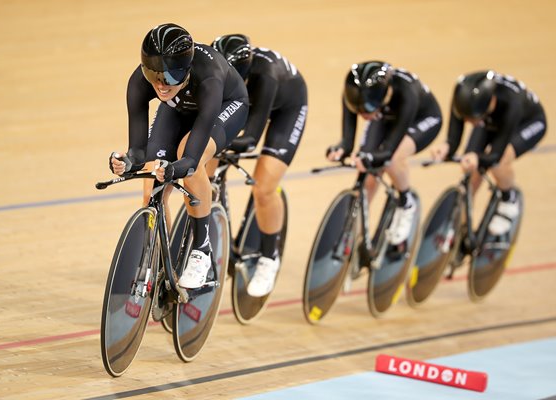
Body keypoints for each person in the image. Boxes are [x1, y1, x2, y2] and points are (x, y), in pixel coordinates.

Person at [109, 23, 249, 289]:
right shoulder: (142, 82)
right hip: (178, 105)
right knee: (152, 184)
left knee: (188, 159)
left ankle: (201, 250)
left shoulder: (208, 77)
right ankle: (161, 262)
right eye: (154, 75)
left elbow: (191, 159)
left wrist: (179, 168)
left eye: (170, 77)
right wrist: (127, 162)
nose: (161, 85)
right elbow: (138, 150)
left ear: (186, 70)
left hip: (224, 107)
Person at [211, 34, 308, 297]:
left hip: (286, 107)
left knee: (263, 188)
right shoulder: (210, 66)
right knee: (208, 162)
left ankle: (269, 257)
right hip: (244, 101)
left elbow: (251, 138)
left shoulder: (265, 75)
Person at [327, 61, 442, 245]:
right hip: (384, 115)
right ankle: (353, 232)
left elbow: (388, 151)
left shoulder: (407, 92)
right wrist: (342, 149)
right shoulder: (354, 94)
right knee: (368, 172)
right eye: (359, 109)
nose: (363, 114)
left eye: (368, 107)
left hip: (420, 119)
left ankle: (406, 202)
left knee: (393, 159)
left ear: (386, 93)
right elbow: (347, 141)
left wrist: (375, 157)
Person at [431, 70, 546, 235]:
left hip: (527, 122)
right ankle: (461, 229)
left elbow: (495, 156)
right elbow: (453, 139)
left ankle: (508, 198)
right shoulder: (463, 98)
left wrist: (479, 158)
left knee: (499, 162)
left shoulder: (511, 102)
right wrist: (447, 147)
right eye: (466, 118)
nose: (469, 123)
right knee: (471, 169)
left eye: (473, 119)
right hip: (491, 118)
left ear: (490, 102)